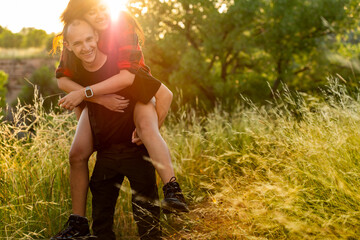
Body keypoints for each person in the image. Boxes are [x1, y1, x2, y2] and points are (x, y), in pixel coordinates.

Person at [53, 19, 162, 240]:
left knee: (147, 215)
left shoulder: (118, 44)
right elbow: (62, 81)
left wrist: (151, 130)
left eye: (89, 39)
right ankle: (78, 221)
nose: (85, 46)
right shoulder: (74, 54)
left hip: (133, 145)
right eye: (77, 43)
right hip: (105, 143)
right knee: (101, 220)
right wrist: (98, 98)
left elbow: (154, 90)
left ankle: (171, 189)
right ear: (68, 45)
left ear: (97, 37)